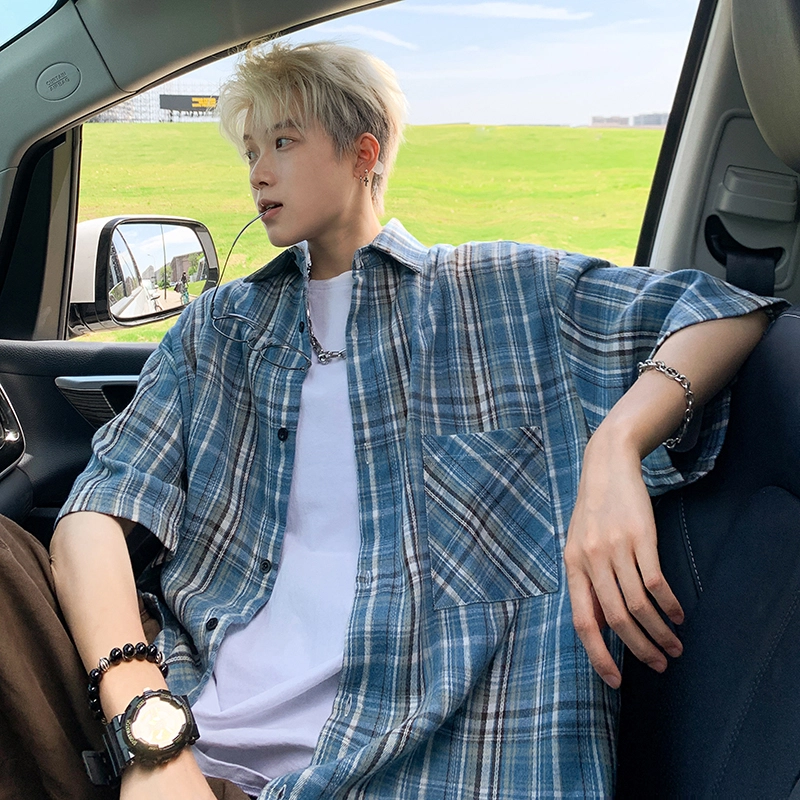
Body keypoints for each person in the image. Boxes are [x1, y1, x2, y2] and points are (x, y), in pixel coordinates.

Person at [0, 41, 786, 800]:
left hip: (409, 764)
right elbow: (95, 512)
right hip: (176, 726)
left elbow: (725, 309)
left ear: (363, 153)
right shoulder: (218, 329)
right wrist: (148, 726)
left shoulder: (505, 293)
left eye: (282, 141)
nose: (258, 172)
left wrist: (616, 445)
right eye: (250, 150)